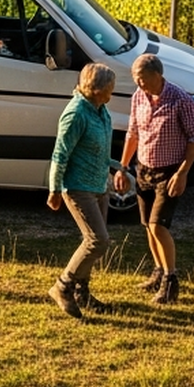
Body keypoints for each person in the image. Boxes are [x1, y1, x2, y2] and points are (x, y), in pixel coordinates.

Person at [115, 53, 194, 304]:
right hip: (144, 169)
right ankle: (158, 270)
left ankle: (171, 280)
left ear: (158, 75)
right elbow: (133, 132)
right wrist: (123, 167)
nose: (138, 83)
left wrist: (182, 172)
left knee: (158, 225)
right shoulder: (138, 97)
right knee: (147, 226)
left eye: (142, 78)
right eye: (135, 79)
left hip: (169, 171)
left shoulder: (180, 100)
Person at [45, 63, 125, 318]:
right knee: (97, 241)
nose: (113, 91)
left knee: (93, 241)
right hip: (78, 188)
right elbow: (60, 154)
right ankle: (62, 287)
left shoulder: (101, 111)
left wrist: (118, 167)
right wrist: (54, 189)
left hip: (99, 185)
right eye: (110, 87)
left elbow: (99, 150)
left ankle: (82, 292)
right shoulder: (76, 114)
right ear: (98, 89)